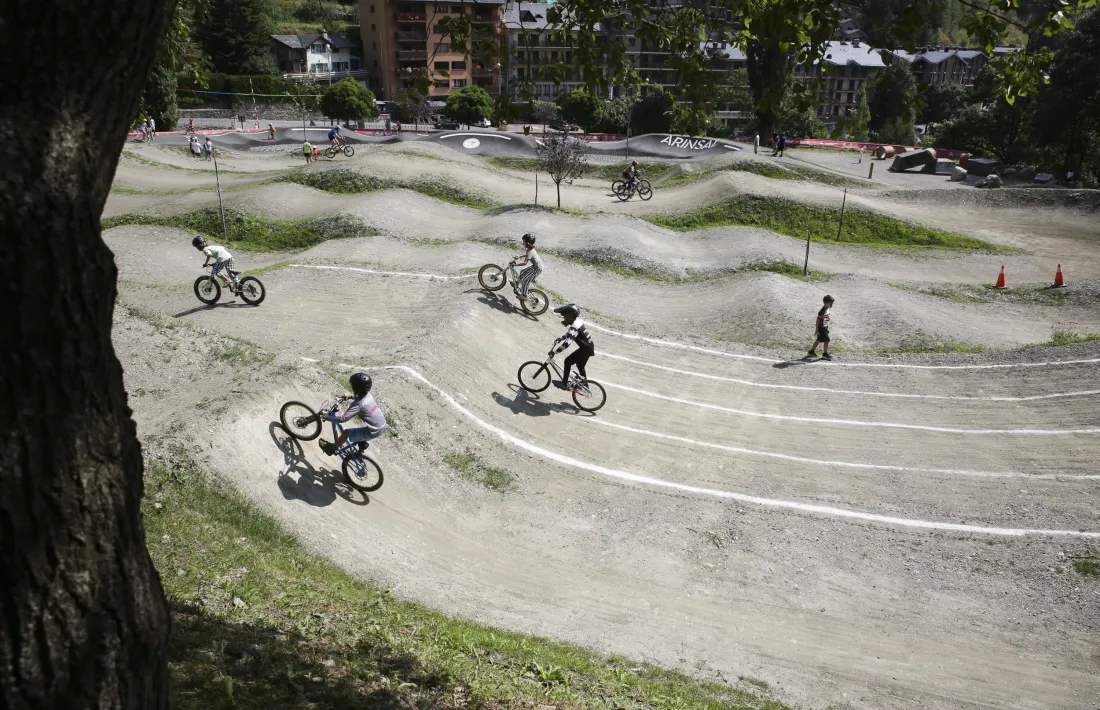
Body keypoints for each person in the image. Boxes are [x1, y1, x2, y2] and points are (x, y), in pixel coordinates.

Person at [319, 373, 388, 456]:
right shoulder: (368, 395)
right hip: (382, 425)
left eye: (353, 385)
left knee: (346, 433)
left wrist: (326, 417)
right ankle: (360, 442)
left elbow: (343, 419)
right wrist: (350, 396)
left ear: (356, 387)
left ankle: (331, 449)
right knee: (357, 432)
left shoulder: (358, 405)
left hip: (374, 431)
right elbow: (359, 397)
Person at [549, 303, 595, 389]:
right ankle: (584, 385)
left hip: (585, 349)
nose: (564, 319)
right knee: (580, 366)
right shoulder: (577, 322)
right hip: (589, 347)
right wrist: (561, 338)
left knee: (567, 361)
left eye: (565, 317)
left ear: (570, 317)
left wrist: (554, 352)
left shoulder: (574, 328)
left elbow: (566, 344)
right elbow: (571, 334)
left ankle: (564, 384)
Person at [510, 233, 543, 303]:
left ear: (527, 243)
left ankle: (525, 296)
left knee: (525, 281)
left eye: (523, 242)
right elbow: (528, 255)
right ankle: (516, 283)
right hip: (536, 266)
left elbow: (525, 263)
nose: (523, 243)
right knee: (522, 271)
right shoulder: (530, 249)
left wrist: (515, 265)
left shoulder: (530, 251)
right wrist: (520, 256)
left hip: (537, 269)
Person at [807, 295, 834, 360]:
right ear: (825, 303)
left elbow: (825, 317)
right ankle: (825, 354)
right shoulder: (822, 311)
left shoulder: (827, 309)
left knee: (819, 340)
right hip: (822, 328)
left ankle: (811, 352)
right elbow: (818, 320)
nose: (831, 305)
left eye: (832, 303)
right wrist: (817, 330)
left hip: (825, 327)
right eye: (830, 303)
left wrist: (828, 322)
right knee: (827, 340)